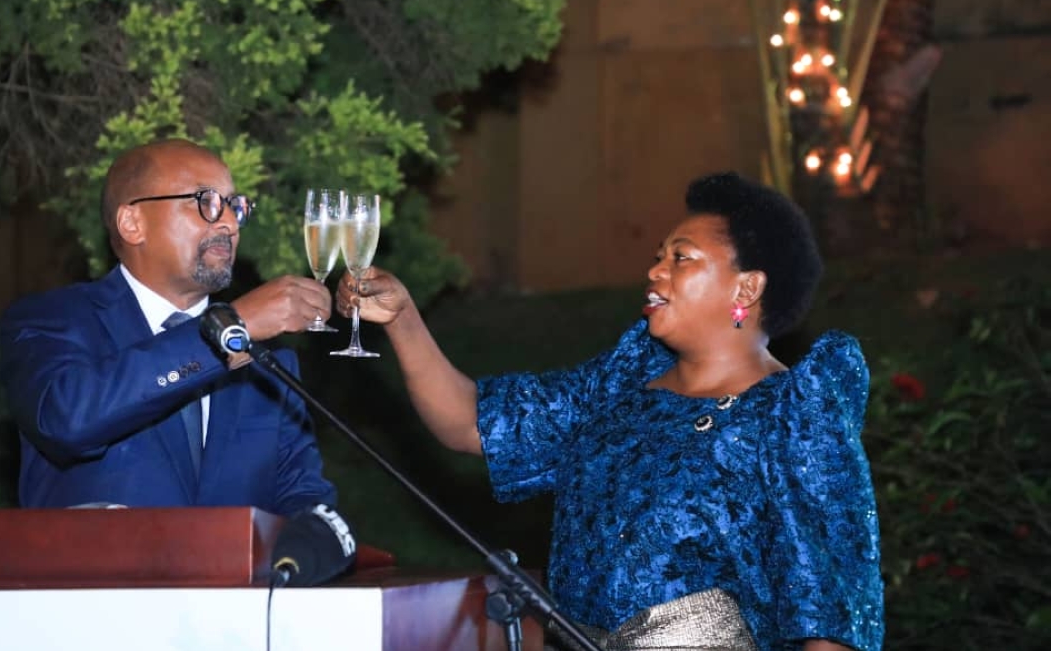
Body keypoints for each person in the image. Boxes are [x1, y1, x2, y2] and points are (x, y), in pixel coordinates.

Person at [336, 172, 884, 651]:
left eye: (681, 258)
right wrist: (402, 319)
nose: (655, 271)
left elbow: (833, 618)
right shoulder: (620, 386)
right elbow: (469, 423)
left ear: (747, 287)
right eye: (658, 256)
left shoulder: (795, 412)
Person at [0, 138, 337, 513]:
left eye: (234, 206)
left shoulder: (270, 360)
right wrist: (229, 331)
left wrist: (313, 535)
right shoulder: (54, 319)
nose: (229, 223)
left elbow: (302, 493)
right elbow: (66, 420)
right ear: (132, 223)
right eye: (206, 202)